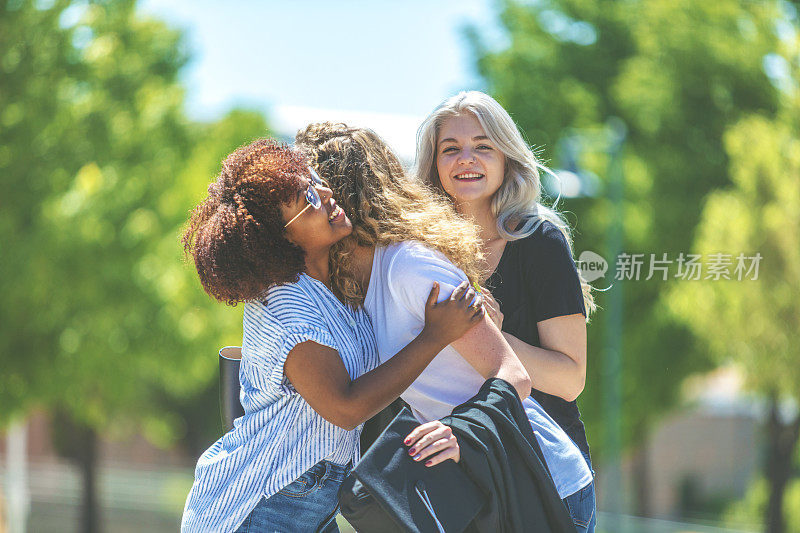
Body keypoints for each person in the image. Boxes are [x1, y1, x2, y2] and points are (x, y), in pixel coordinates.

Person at [295, 123, 593, 526]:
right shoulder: (368, 281)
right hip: (482, 481)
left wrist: (461, 434)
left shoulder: (411, 268)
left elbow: (514, 374)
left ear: (343, 198)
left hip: (541, 480)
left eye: (308, 196)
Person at [179, 140, 480, 533]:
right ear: (279, 239)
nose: (325, 193)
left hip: (306, 500)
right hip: (258, 509)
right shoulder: (288, 309)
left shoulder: (329, 289)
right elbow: (346, 407)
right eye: (307, 198)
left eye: (314, 181)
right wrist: (436, 335)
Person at [414, 90, 598, 532]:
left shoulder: (541, 244)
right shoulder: (418, 254)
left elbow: (570, 379)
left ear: (506, 158)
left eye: (482, 146)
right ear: (434, 164)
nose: (466, 159)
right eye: (450, 148)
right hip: (454, 482)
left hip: (543, 477)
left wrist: (493, 336)